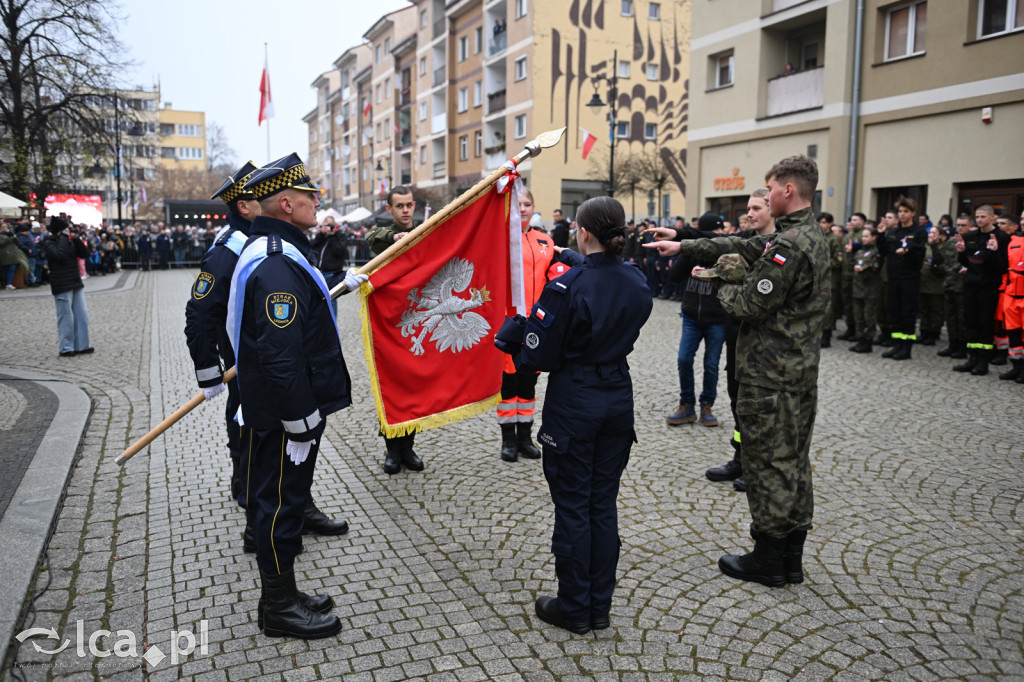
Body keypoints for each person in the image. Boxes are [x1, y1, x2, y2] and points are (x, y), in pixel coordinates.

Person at [645, 155, 829, 587]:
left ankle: (768, 559)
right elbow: (745, 245)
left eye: (769, 189)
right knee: (794, 463)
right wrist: (684, 241)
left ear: (787, 190)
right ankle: (790, 558)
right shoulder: (806, 234)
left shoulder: (789, 245)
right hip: (798, 373)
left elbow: (747, 303)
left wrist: (719, 279)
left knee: (767, 464)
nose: (763, 197)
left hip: (771, 375)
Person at [496, 195, 652, 634]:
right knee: (602, 505)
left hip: (576, 401)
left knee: (572, 506)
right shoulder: (636, 281)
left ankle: (573, 606)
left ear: (582, 233)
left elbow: (536, 358)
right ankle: (598, 606)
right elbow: (605, 278)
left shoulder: (566, 288)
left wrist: (516, 338)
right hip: (618, 398)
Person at [226, 153, 366, 639]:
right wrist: (301, 420)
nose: (316, 202)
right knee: (279, 505)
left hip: (277, 410)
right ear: (286, 203)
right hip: (285, 415)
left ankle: (283, 592)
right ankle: (278, 606)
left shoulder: (276, 251)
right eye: (310, 196)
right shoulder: (278, 262)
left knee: (280, 499)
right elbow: (281, 355)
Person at [704, 188, 775, 490]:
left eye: (757, 207)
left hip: (762, 345)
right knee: (736, 402)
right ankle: (740, 459)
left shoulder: (779, 249)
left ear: (773, 208)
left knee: (757, 407)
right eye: (748, 207)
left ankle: (758, 468)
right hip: (737, 338)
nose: (749, 213)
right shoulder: (747, 244)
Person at [494, 187, 569, 463]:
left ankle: (525, 437)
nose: (522, 208)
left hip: (539, 325)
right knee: (509, 383)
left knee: (529, 383)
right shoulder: (501, 240)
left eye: (527, 204)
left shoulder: (545, 241)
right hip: (510, 323)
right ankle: (508, 440)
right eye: (518, 204)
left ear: (533, 207)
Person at [365, 187, 428, 475]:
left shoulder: (426, 230)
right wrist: (394, 237)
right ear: (389, 209)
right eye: (399, 206)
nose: (405, 210)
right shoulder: (384, 234)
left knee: (414, 387)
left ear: (414, 206)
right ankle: (392, 450)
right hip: (389, 323)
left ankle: (408, 449)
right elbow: (370, 238)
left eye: (408, 205)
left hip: (417, 321)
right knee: (390, 387)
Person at [665, 212, 728, 429]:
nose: (719, 235)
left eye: (721, 231)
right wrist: (688, 253)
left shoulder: (726, 251)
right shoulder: (693, 250)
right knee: (684, 359)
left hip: (717, 318)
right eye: (715, 231)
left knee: (711, 364)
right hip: (692, 316)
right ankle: (687, 404)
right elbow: (673, 276)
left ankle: (707, 405)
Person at [954, 205, 1010, 376]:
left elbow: (1002, 267)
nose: (979, 220)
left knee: (985, 323)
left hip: (988, 286)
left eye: (983, 217)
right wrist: (962, 253)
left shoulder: (1001, 237)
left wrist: (993, 252)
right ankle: (972, 358)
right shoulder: (971, 235)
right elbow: (968, 261)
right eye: (977, 217)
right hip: (971, 284)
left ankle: (983, 361)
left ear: (992, 217)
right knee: (970, 321)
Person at [877, 198, 927, 360]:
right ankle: (897, 344)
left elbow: (920, 254)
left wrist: (909, 251)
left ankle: (906, 347)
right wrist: (881, 235)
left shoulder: (919, 232)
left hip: (910, 278)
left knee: (908, 313)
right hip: (894, 277)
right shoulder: (894, 232)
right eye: (900, 211)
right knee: (895, 312)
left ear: (912, 213)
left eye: (905, 211)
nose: (902, 214)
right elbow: (885, 252)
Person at [40, 217, 93, 356]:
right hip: (61, 284)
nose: (68, 231)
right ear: (58, 232)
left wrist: (75, 239)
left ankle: (82, 345)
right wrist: (64, 237)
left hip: (75, 282)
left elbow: (85, 254)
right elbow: (60, 255)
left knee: (82, 315)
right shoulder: (49, 243)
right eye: (65, 229)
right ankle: (66, 347)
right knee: (65, 317)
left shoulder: (69, 242)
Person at [935, 215, 970, 359]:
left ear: (969, 227)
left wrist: (951, 270)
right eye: (958, 225)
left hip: (962, 286)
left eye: (963, 225)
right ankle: (952, 344)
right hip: (949, 284)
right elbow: (942, 260)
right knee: (950, 316)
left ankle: (962, 346)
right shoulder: (951, 242)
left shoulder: (971, 241)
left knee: (961, 317)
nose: (960, 228)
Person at [849, 227, 883, 352]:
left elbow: (875, 269)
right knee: (858, 317)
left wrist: (864, 269)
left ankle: (868, 342)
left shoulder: (876, 252)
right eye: (863, 236)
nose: (864, 239)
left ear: (874, 237)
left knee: (869, 317)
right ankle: (860, 340)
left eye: (867, 236)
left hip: (870, 290)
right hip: (857, 289)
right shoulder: (859, 252)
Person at [311, 218, 349, 318]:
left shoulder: (340, 235)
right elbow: (312, 245)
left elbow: (340, 252)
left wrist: (332, 236)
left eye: (329, 225)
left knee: (331, 298)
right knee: (317, 299)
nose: (327, 228)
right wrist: (321, 234)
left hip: (332, 273)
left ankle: (332, 322)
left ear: (335, 225)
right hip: (318, 272)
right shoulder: (323, 237)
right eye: (325, 225)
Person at [917, 226, 946, 345]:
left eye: (934, 233)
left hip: (936, 285)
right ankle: (924, 331)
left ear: (940, 236)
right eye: (930, 232)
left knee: (935, 310)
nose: (931, 235)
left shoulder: (942, 248)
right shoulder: (925, 247)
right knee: (924, 309)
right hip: (923, 282)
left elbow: (942, 265)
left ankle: (933, 333)